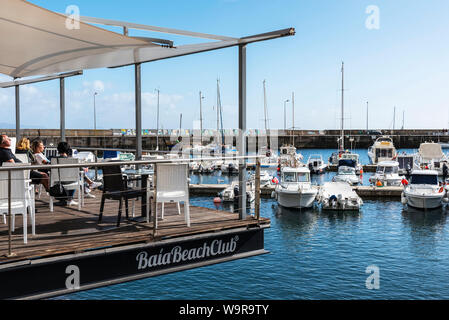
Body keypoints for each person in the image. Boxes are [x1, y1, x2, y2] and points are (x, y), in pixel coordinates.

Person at [52, 141, 77, 206]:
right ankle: (70, 199)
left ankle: (62, 199)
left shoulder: (54, 160)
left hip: (58, 182)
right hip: (70, 181)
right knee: (77, 177)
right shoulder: (72, 160)